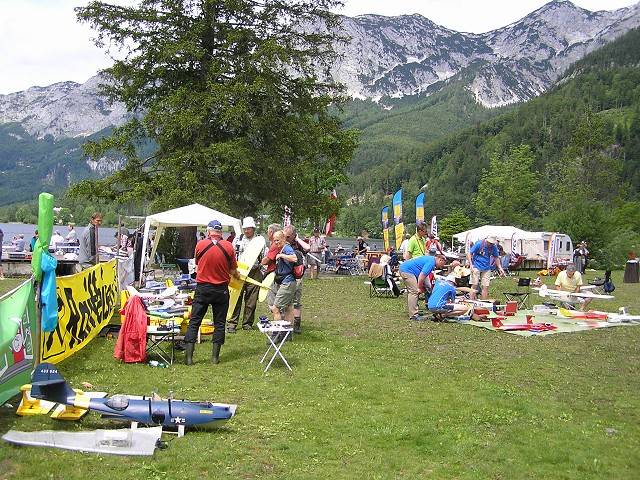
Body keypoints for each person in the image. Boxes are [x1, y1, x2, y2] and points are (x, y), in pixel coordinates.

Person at [184, 219, 240, 365]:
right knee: (219, 323)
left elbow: (197, 263)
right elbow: (233, 270)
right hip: (221, 290)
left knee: (194, 322)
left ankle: (189, 358)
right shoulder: (228, 246)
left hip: (203, 288)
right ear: (221, 232)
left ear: (209, 231)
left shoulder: (200, 245)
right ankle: (215, 358)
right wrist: (237, 276)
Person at [228, 216, 264, 333]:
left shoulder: (260, 240)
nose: (247, 231)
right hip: (239, 271)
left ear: (253, 229)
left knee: (251, 300)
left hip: (254, 272)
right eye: (245, 229)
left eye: (249, 229)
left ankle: (247, 324)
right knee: (235, 298)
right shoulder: (237, 239)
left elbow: (264, 258)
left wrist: (262, 273)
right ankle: (232, 324)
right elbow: (231, 254)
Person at [398, 253, 447, 320]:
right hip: (407, 271)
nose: (441, 267)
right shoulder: (431, 263)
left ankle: (420, 308)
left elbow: (425, 279)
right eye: (442, 265)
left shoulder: (430, 259)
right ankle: (413, 315)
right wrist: (419, 287)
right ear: (440, 260)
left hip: (410, 270)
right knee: (413, 292)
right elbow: (422, 276)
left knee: (427, 286)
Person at [284, 224, 310, 334]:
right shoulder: (282, 243)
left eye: (288, 236)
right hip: (285, 276)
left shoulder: (298, 244)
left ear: (294, 235)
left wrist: (297, 239)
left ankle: (297, 324)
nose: (286, 239)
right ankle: (285, 324)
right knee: (285, 301)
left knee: (297, 302)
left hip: (297, 277)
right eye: (285, 236)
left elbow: (307, 248)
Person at [270, 230, 298, 326]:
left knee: (275, 308)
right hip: (286, 282)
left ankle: (277, 334)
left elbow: (294, 258)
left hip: (288, 282)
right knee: (288, 308)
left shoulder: (286, 248)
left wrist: (281, 255)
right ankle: (287, 333)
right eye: (275, 240)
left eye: (278, 240)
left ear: (283, 239)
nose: (276, 242)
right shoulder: (282, 248)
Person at [467, 235, 504, 300]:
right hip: (476, 266)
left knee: (485, 286)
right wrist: (471, 264)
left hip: (486, 267)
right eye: (490, 243)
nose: (491, 245)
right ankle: (471, 301)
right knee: (474, 285)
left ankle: (483, 302)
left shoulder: (494, 247)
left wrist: (500, 267)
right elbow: (469, 253)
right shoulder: (479, 244)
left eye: (492, 243)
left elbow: (496, 257)